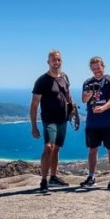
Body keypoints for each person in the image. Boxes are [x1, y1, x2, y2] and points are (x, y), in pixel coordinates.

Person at [29, 49, 79, 192]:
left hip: (63, 119)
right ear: (48, 62)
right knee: (49, 147)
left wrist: (73, 110)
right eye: (53, 60)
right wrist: (34, 126)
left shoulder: (64, 77)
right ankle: (44, 181)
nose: (56, 62)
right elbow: (34, 105)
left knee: (57, 148)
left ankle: (54, 177)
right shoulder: (42, 81)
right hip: (49, 120)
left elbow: (68, 95)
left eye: (58, 60)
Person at [80, 56, 110, 190]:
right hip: (92, 123)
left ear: (103, 66)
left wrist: (103, 108)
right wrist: (90, 92)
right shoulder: (87, 82)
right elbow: (84, 99)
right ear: (91, 69)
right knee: (92, 150)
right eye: (94, 68)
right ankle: (91, 177)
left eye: (98, 67)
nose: (96, 70)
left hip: (108, 121)